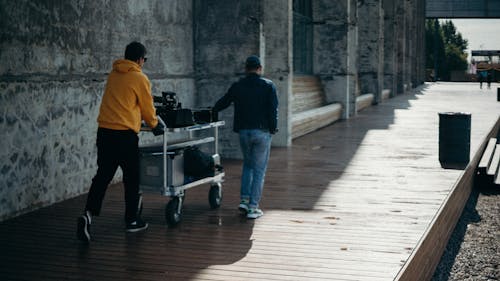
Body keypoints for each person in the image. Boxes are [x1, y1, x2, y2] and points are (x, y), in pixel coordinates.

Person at [77, 41, 164, 242]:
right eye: (145, 59)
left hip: (105, 133)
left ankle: (88, 215)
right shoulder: (140, 78)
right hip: (125, 136)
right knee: (132, 178)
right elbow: (147, 108)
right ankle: (132, 221)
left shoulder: (113, 75)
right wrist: (154, 125)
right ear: (140, 59)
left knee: (103, 176)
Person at [213, 55, 278, 219]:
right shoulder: (268, 86)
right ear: (260, 68)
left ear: (246, 69)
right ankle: (253, 208)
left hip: (244, 132)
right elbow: (273, 110)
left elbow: (223, 102)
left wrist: (212, 112)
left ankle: (244, 201)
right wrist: (273, 128)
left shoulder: (238, 86)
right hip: (261, 132)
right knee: (259, 171)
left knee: (248, 166)